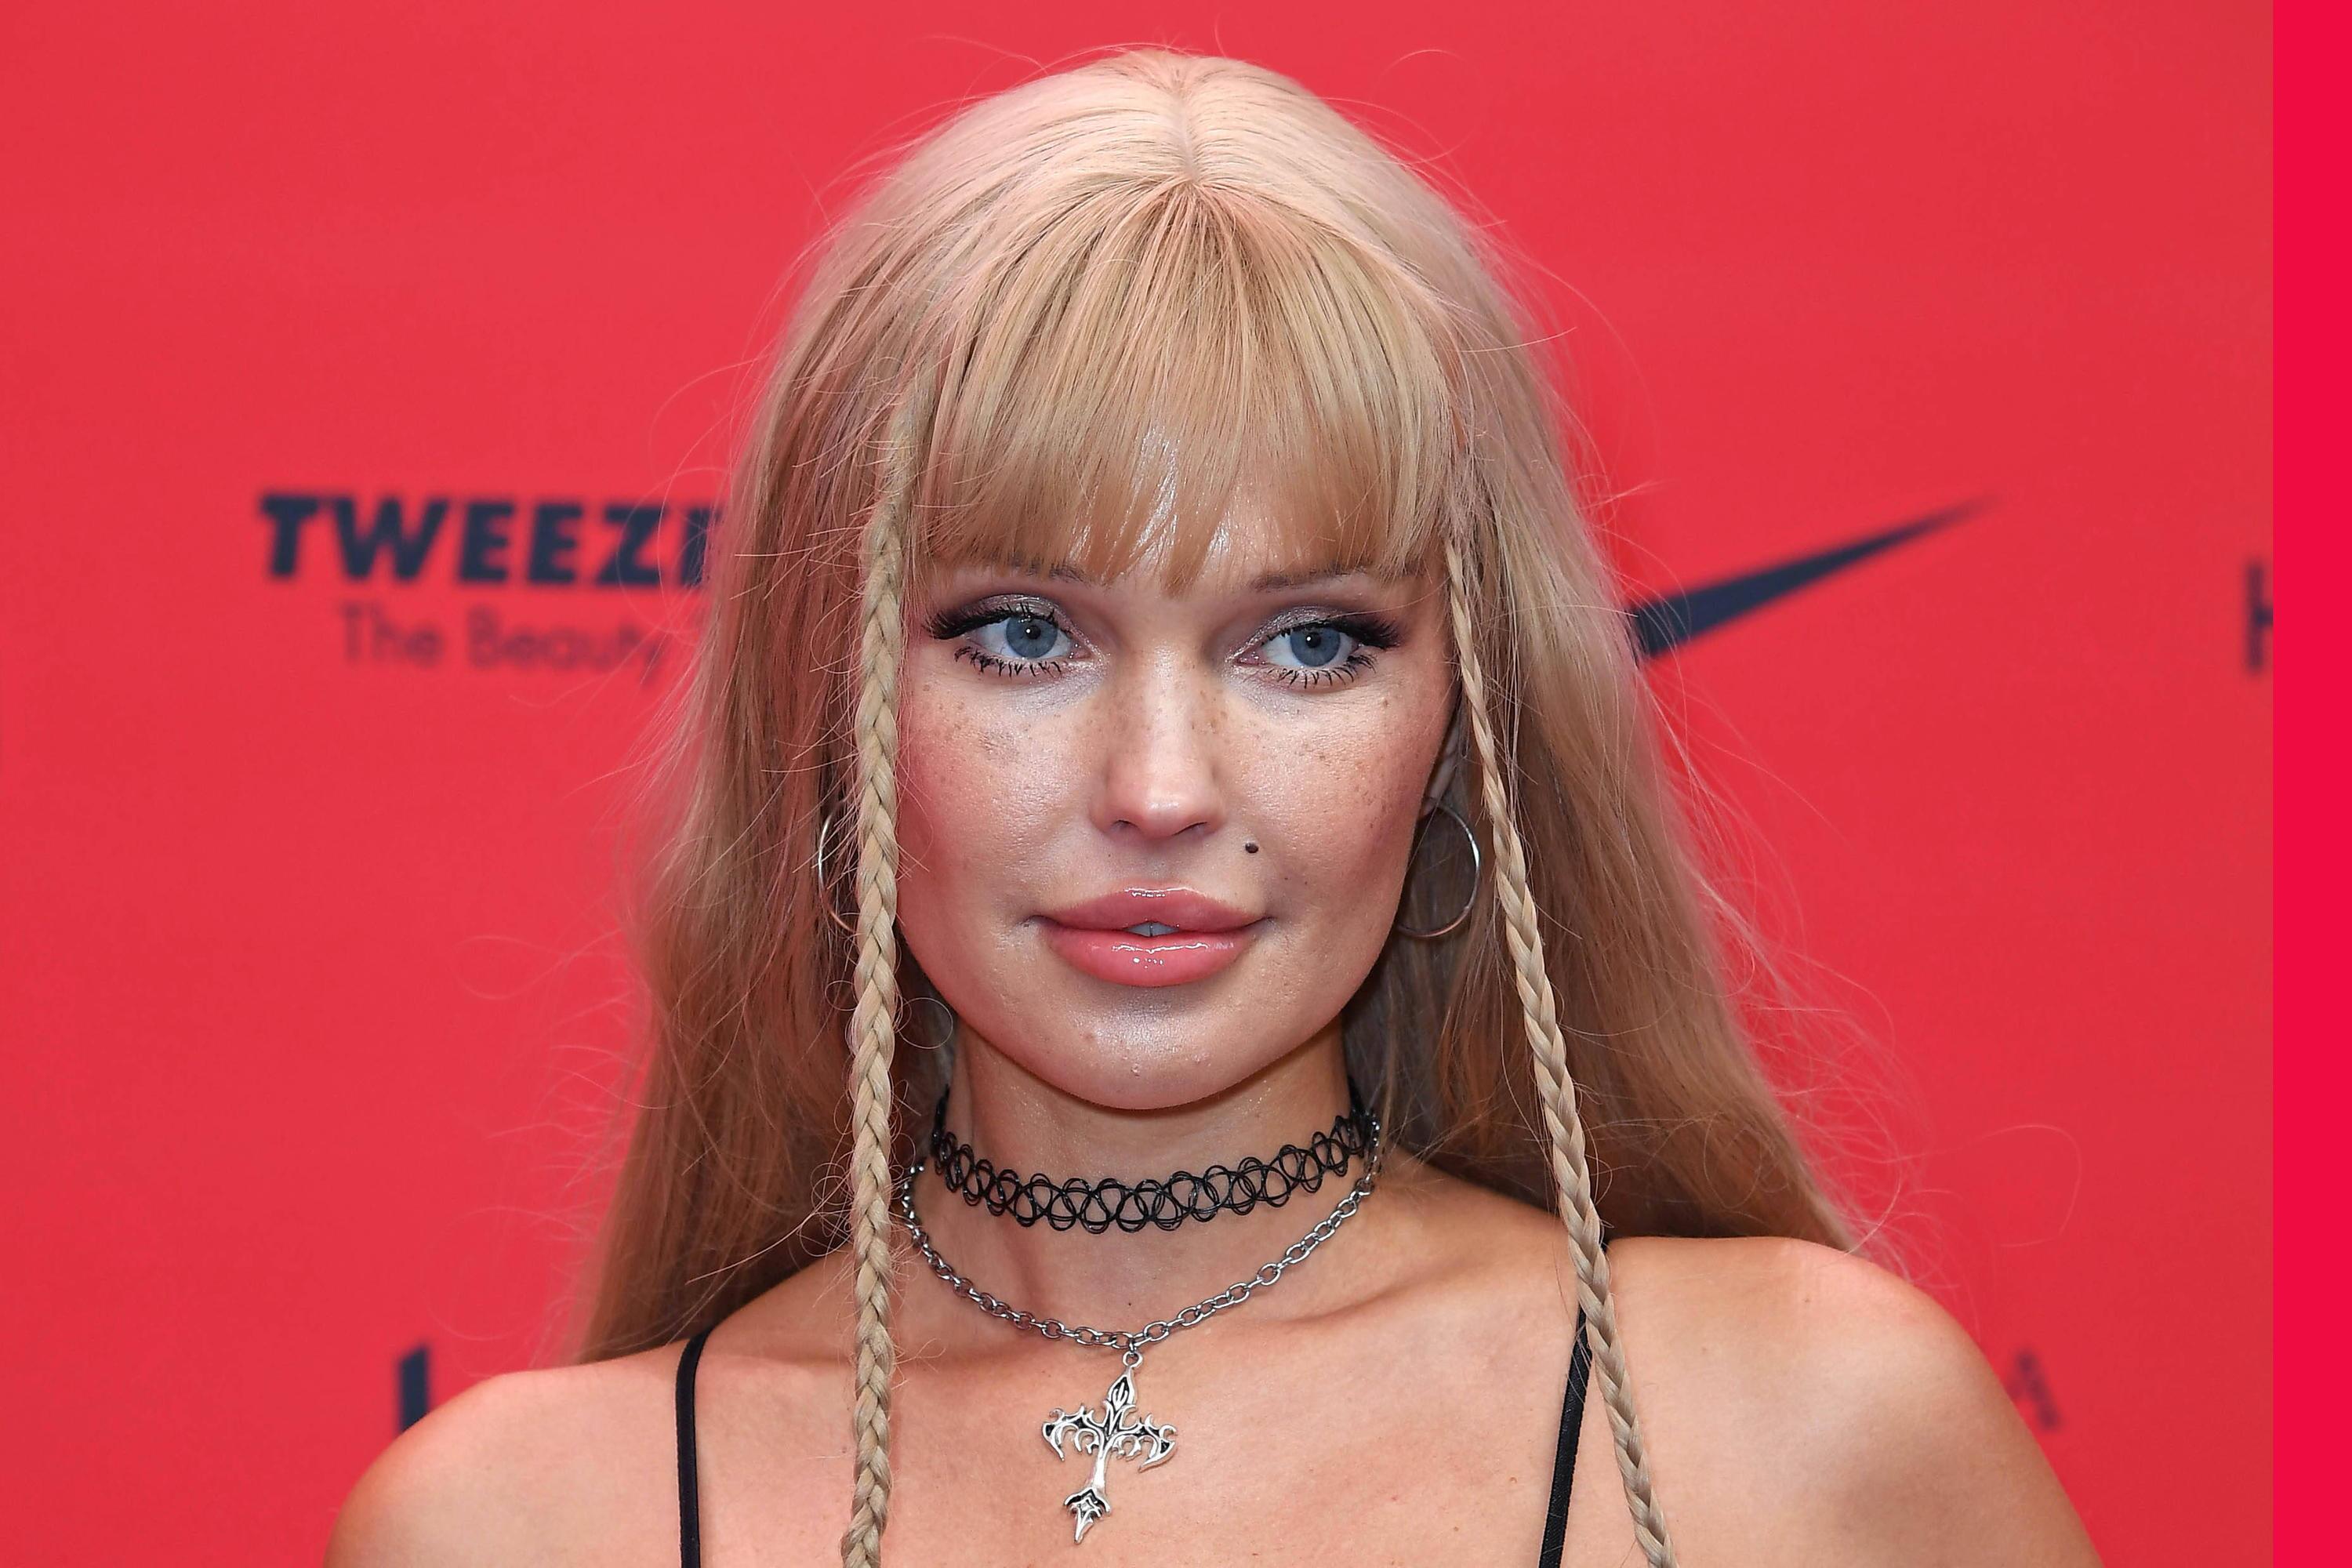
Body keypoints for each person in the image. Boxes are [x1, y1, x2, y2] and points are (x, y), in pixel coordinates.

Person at [326, 46, 2100, 1568]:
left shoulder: (1805, 1442)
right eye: (1023, 634)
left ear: (1461, 733)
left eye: (1309, 643)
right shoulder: (519, 1524)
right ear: (832, 706)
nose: (1161, 789)